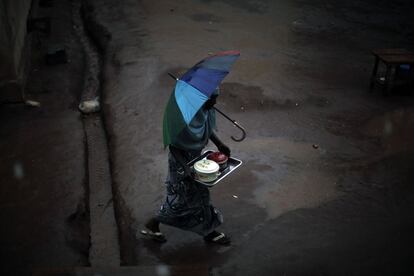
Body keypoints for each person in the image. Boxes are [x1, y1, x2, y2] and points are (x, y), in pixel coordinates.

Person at [141, 90, 231, 245]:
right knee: (182, 201)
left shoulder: (204, 111)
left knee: (200, 196)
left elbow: (204, 129)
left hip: (196, 158)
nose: (215, 103)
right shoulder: (183, 118)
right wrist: (186, 168)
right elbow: (174, 147)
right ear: (201, 99)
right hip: (181, 164)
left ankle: (208, 230)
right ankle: (154, 222)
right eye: (213, 99)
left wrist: (219, 143)